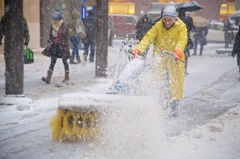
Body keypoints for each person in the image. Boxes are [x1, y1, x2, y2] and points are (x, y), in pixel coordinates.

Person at [132, 6, 187, 117]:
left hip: (174, 58)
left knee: (175, 84)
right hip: (160, 59)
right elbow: (149, 37)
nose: (166, 22)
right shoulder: (158, 25)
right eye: (165, 19)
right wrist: (139, 49)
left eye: (169, 20)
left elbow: (182, 40)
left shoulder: (181, 26)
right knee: (158, 82)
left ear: (175, 18)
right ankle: (158, 106)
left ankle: (174, 106)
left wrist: (178, 51)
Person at [41, 10, 70, 84]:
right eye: (54, 19)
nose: (55, 21)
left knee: (65, 61)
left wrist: (64, 45)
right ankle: (48, 78)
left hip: (62, 46)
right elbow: (50, 36)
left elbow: (66, 37)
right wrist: (50, 42)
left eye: (56, 19)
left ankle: (67, 77)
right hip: (54, 46)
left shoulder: (64, 25)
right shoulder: (52, 26)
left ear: (59, 19)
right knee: (53, 61)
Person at [178, 10, 195, 75]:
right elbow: (193, 28)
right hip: (186, 39)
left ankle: (179, 69)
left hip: (177, 39)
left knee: (177, 54)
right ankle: (184, 69)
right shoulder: (189, 19)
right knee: (185, 55)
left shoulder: (176, 20)